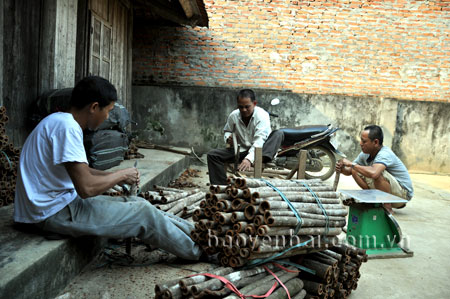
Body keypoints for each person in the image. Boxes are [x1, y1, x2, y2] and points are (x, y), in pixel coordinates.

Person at [14, 76, 202, 260]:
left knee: (139, 204)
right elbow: (86, 188)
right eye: (108, 111)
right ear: (94, 107)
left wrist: (114, 175)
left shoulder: (59, 121)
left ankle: (201, 237)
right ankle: (201, 251)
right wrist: (121, 175)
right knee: (143, 215)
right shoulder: (67, 128)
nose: (107, 117)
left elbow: (82, 172)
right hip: (52, 213)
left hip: (55, 206)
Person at [207, 89, 283, 185]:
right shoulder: (233, 116)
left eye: (247, 107)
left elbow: (259, 140)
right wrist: (228, 138)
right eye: (240, 107)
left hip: (261, 152)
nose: (244, 110)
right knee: (212, 155)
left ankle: (259, 159)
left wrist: (249, 159)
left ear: (254, 103)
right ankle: (221, 187)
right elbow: (227, 130)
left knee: (278, 134)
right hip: (241, 151)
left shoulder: (262, 115)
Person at [336, 125, 413, 213]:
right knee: (355, 170)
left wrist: (351, 164)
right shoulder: (365, 154)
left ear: (376, 142)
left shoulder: (385, 154)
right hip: (391, 193)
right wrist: (342, 169)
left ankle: (387, 208)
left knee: (377, 173)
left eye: (364, 141)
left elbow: (374, 173)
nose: (360, 143)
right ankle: (375, 201)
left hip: (402, 195)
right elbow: (350, 170)